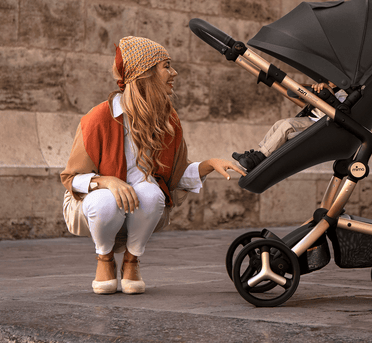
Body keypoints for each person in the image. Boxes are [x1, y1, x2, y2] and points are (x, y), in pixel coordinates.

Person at [61, 36, 246, 295]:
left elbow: (174, 176)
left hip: (138, 212)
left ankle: (131, 260)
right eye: (166, 66)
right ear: (145, 73)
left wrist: (209, 164)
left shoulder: (168, 120)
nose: (174, 72)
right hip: (90, 207)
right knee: (105, 200)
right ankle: (104, 258)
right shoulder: (98, 118)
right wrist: (108, 181)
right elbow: (71, 178)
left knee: (151, 192)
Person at [232, 82, 347, 171]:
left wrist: (329, 92)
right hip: (311, 119)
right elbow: (294, 91)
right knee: (279, 123)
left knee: (287, 126)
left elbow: (338, 112)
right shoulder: (326, 87)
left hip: (323, 125)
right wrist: (312, 87)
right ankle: (257, 154)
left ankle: (258, 158)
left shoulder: (343, 94)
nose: (329, 81)